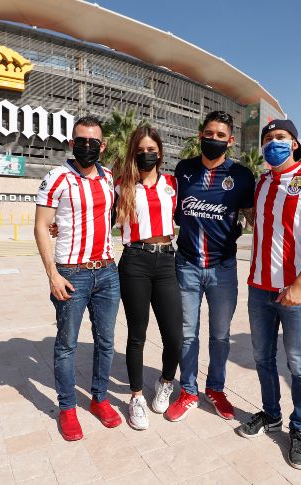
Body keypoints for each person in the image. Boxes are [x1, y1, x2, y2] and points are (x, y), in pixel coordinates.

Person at [235, 119, 301, 470]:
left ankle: (300, 429)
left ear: (294, 143)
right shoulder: (262, 182)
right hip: (259, 288)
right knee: (262, 358)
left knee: (299, 364)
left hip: (296, 292)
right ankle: (271, 414)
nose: (273, 143)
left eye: (281, 137)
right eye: (268, 138)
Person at [33, 115, 122, 441]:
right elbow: (41, 226)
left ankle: (99, 398)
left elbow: (108, 217)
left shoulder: (109, 177)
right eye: (81, 141)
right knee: (67, 344)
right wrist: (52, 274)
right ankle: (68, 408)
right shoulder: (56, 177)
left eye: (93, 141)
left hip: (107, 271)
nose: (87, 146)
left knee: (106, 342)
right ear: (71, 143)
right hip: (72, 273)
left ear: (103, 145)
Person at [165, 110, 255, 422]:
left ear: (230, 141)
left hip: (223, 269)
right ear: (200, 134)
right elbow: (171, 210)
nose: (214, 139)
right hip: (186, 265)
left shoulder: (241, 175)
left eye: (221, 135)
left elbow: (254, 217)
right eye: (209, 134)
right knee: (187, 334)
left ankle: (215, 389)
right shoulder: (184, 169)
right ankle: (188, 391)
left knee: (220, 335)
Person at [112, 126, 183, 430]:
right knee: (137, 334)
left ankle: (165, 382)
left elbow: (190, 217)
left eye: (151, 150)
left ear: (160, 152)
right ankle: (136, 397)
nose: (146, 154)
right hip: (135, 261)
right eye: (140, 150)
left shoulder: (172, 184)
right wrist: (59, 226)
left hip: (166, 260)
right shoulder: (122, 185)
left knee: (175, 336)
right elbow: (97, 216)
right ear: (133, 153)